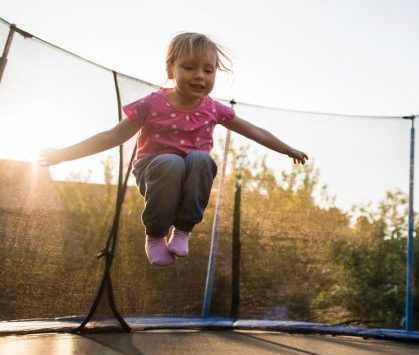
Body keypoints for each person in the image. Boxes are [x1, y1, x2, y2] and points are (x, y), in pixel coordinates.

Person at [40, 32, 308, 266]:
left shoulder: (213, 108)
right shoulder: (151, 104)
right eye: (189, 68)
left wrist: (287, 149)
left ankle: (182, 231)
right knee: (171, 162)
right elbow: (112, 136)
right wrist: (63, 155)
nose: (199, 76)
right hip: (155, 172)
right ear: (171, 71)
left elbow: (254, 130)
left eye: (208, 70)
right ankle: (155, 235)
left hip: (191, 176)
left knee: (202, 160)